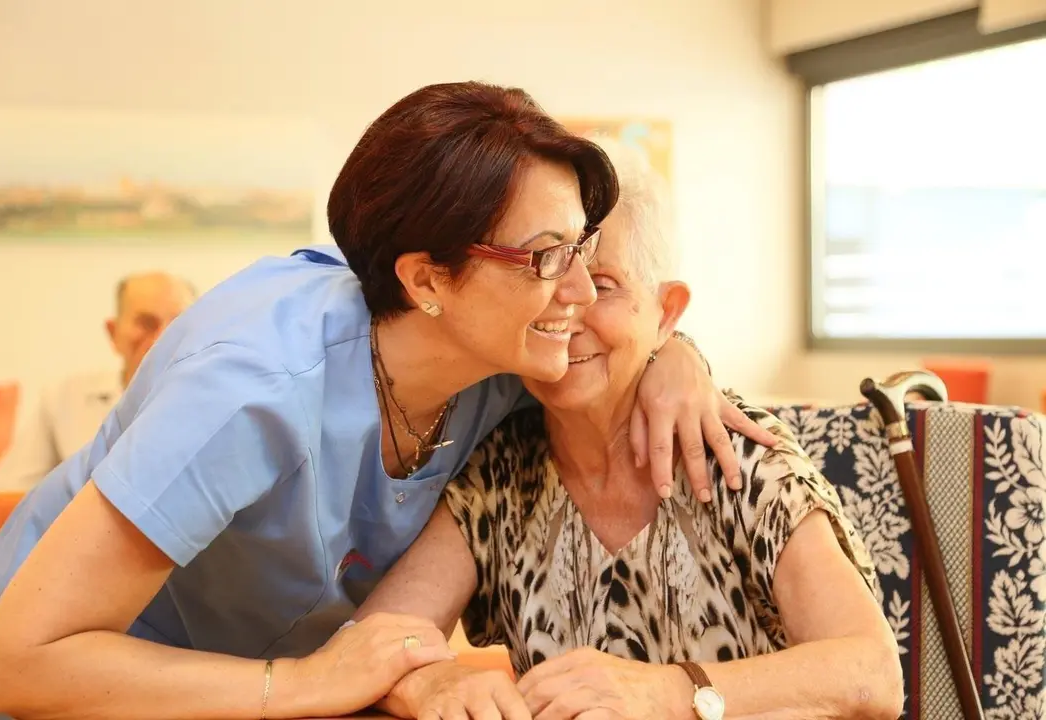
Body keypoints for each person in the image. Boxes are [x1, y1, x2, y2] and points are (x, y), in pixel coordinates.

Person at [0, 82, 777, 720]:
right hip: (99, 670)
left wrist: (676, 355)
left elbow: (630, 329)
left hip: (299, 678)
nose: (577, 292)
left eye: (583, 253)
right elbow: (19, 665)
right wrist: (299, 685)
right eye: (544, 258)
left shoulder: (502, 349)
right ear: (426, 279)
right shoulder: (251, 389)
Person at [355, 138, 904, 720]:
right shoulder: (501, 466)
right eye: (544, 274)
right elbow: (377, 639)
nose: (565, 312)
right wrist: (431, 683)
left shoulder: (735, 454)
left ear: (666, 312)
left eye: (604, 284)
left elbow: (872, 673)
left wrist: (666, 691)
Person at [0, 272, 196, 492]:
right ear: (113, 333)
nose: (162, 338)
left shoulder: (221, 404)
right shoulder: (64, 399)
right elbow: (4, 494)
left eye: (178, 325)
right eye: (146, 323)